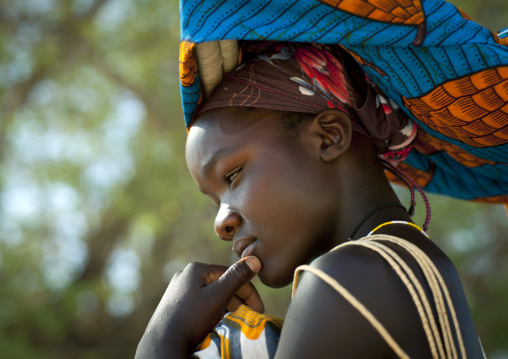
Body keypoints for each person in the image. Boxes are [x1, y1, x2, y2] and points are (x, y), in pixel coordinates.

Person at [135, 42, 486, 358]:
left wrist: (161, 340)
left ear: (329, 137)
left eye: (232, 177)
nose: (221, 224)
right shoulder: (404, 262)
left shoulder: (348, 278)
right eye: (215, 202)